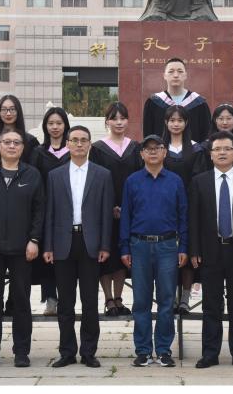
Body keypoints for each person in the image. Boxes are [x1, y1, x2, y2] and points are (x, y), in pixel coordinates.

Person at [0, 129, 45, 368]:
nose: (12, 146)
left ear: (23, 147)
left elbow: (39, 210)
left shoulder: (32, 175)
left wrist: (34, 240)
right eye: (7, 142)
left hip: (23, 249)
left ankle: (21, 351)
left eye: (16, 142)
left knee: (21, 301)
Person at [43, 125, 114, 368]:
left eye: (84, 140)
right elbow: (50, 213)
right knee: (65, 302)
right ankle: (67, 351)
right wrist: (48, 245)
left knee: (90, 301)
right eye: (74, 140)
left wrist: (105, 245)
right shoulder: (55, 175)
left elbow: (106, 214)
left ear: (90, 144)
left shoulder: (102, 175)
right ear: (67, 144)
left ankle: (88, 351)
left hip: (90, 243)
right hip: (63, 243)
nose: (79, 144)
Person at [189, 131, 233, 369]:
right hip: (209, 251)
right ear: (210, 154)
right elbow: (194, 219)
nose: (222, 153)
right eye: (217, 149)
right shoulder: (199, 181)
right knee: (211, 304)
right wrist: (194, 250)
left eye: (227, 149)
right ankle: (210, 353)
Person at [120, 134, 188, 367]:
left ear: (164, 152)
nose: (152, 152)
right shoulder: (132, 181)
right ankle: (143, 351)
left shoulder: (175, 181)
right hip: (139, 245)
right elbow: (126, 216)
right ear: (141, 154)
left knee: (167, 300)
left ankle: (164, 350)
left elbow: (183, 216)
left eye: (157, 148)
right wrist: (124, 247)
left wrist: (183, 246)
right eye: (147, 149)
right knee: (141, 300)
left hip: (168, 246)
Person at [90, 103, 140, 317]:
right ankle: (108, 298)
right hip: (105, 211)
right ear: (107, 121)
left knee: (122, 254)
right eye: (114, 118)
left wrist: (128, 208)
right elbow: (94, 180)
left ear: (127, 121)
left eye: (122, 118)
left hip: (131, 211)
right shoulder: (98, 148)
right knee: (106, 253)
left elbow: (139, 179)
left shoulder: (135, 147)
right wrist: (109, 206)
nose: (119, 122)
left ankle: (119, 298)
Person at [161, 104, 203, 315]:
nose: (176, 124)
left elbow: (198, 179)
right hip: (164, 208)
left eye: (180, 120)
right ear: (166, 123)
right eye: (172, 120)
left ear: (186, 123)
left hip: (189, 207)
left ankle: (185, 298)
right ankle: (169, 297)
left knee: (187, 250)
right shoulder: (160, 148)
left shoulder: (196, 149)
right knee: (167, 253)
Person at [31, 106, 73, 317]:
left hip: (69, 211)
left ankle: (66, 298)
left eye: (59, 123)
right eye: (51, 123)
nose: (55, 127)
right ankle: (50, 298)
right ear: (45, 126)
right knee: (46, 255)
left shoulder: (73, 151)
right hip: (46, 210)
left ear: (65, 125)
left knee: (67, 255)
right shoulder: (38, 153)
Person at [142, 58, 211, 143]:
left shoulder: (199, 103)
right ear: (164, 75)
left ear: (186, 75)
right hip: (161, 150)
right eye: (171, 71)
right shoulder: (153, 102)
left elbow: (206, 134)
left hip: (193, 151)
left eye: (180, 71)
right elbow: (148, 134)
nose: (176, 75)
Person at [194, 104, 233, 179]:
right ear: (215, 121)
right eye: (221, 119)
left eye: (229, 118)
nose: (225, 122)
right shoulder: (205, 147)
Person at [0, 94, 40, 168]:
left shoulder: (30, 141)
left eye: (12, 109)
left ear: (18, 112)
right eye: (4, 109)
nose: (8, 113)